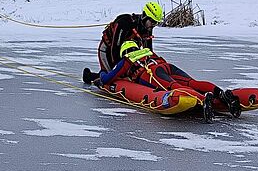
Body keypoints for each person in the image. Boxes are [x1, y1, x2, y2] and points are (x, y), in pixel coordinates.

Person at [89, 41, 241, 117]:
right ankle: (220, 94)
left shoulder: (127, 60)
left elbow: (109, 78)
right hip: (166, 66)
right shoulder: (148, 52)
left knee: (173, 86)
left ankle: (203, 100)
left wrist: (101, 76)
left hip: (151, 73)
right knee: (192, 83)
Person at [98, 1, 163, 71]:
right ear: (145, 16)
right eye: (152, 22)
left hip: (123, 50)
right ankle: (91, 77)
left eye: (156, 23)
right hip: (107, 48)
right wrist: (117, 68)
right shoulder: (125, 23)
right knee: (109, 75)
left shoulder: (147, 27)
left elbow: (148, 49)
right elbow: (115, 48)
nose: (153, 25)